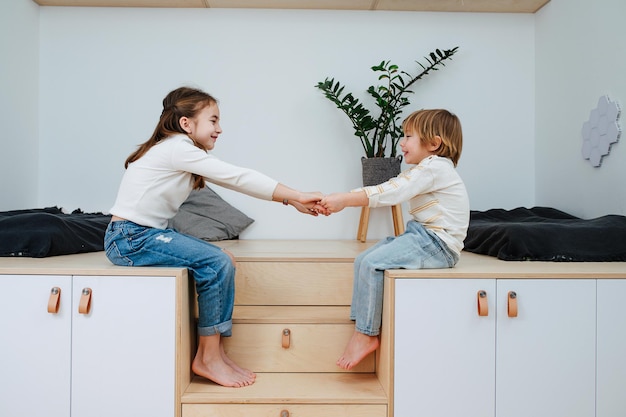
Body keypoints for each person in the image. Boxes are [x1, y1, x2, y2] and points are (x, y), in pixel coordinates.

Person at [104, 86, 323, 388]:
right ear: (186, 124)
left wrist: (291, 201)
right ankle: (207, 358)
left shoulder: (176, 148)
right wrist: (296, 195)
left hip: (143, 235)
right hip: (130, 238)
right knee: (217, 261)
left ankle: (215, 351)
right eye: (213, 120)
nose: (219, 129)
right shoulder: (177, 147)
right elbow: (238, 177)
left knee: (224, 259)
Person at [318, 109, 469, 370]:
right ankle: (361, 326)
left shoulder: (434, 168)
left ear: (434, 144)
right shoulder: (427, 169)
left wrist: (345, 199)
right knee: (364, 259)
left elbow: (393, 191)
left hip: (438, 244)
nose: (401, 142)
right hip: (422, 234)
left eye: (408, 136)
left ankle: (366, 334)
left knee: (372, 262)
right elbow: (396, 184)